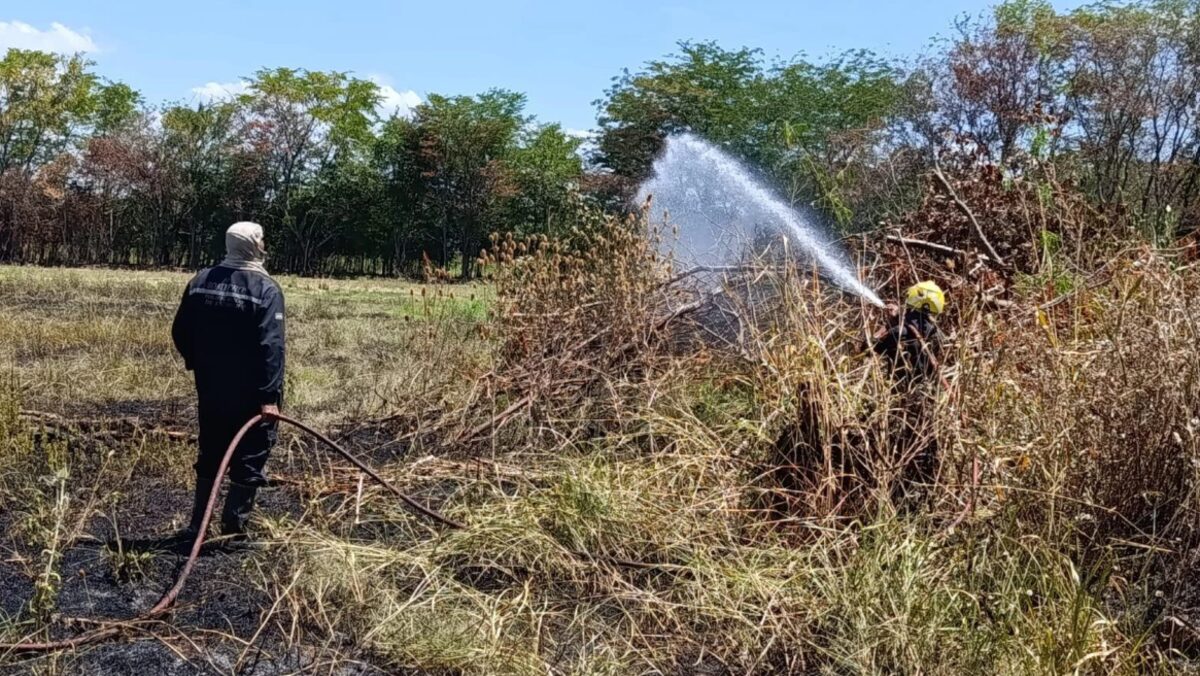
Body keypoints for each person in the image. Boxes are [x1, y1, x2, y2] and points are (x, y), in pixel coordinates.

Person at [171, 222, 285, 540]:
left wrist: (198, 364)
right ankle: (233, 533)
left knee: (211, 452)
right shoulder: (266, 290)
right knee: (250, 455)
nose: (264, 244)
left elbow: (180, 331)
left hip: (211, 390)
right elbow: (271, 348)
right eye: (261, 239)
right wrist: (269, 397)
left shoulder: (200, 281)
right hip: (252, 396)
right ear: (251, 245)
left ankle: (198, 527)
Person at [872, 280, 945, 382]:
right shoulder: (938, 334)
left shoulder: (898, 331)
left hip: (901, 390)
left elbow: (869, 348)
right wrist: (899, 316)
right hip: (928, 389)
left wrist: (888, 324)